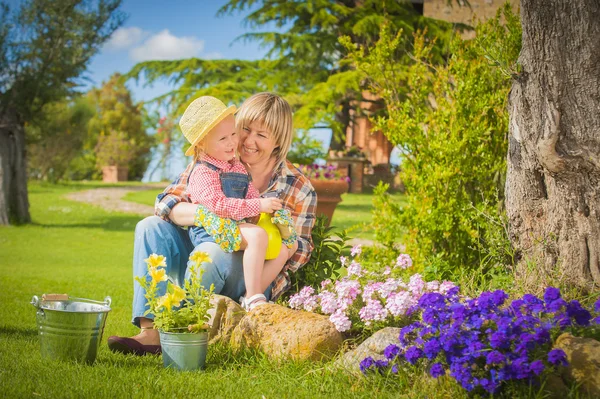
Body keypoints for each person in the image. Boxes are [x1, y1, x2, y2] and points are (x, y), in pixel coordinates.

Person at [107, 92, 317, 356]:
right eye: (245, 130)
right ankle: (151, 332)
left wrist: (257, 290)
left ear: (278, 141)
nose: (248, 141)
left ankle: (186, 330)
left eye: (261, 135)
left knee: (214, 251)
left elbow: (297, 253)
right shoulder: (214, 159)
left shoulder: (298, 187)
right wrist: (207, 215)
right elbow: (165, 205)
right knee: (149, 227)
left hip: (251, 274)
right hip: (205, 249)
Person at [182, 96, 295, 310]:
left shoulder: (235, 165)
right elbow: (220, 206)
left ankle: (251, 296)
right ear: (202, 144)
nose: (235, 142)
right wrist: (258, 206)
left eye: (233, 134)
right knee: (256, 234)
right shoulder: (204, 171)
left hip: (235, 227)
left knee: (284, 244)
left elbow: (249, 193)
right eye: (223, 138)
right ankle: (253, 297)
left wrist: (268, 209)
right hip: (212, 230)